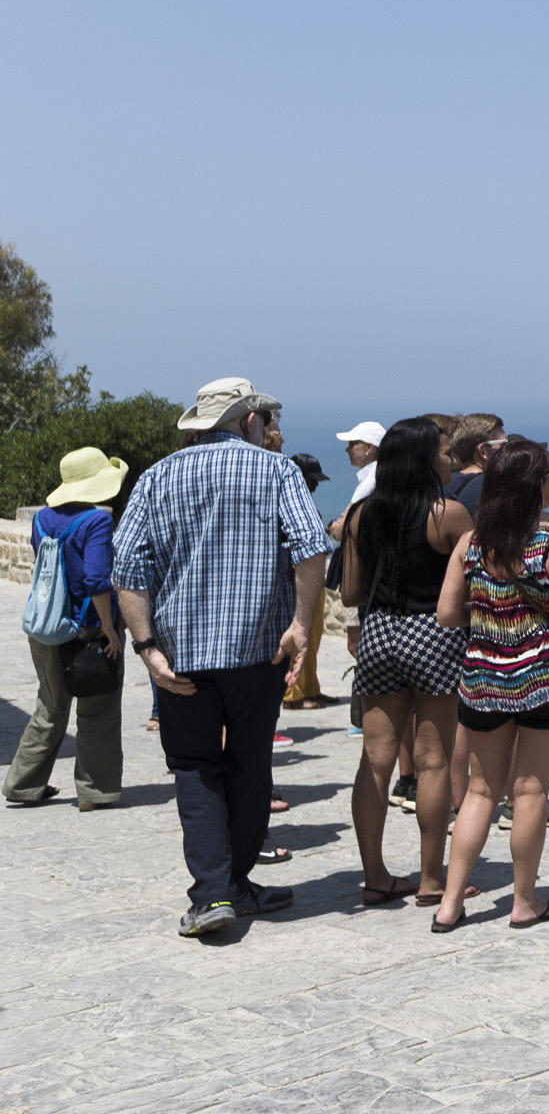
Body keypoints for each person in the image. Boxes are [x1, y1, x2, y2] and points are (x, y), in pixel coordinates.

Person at [113, 378, 329, 937]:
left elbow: (128, 573)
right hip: (259, 652)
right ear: (248, 421)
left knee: (195, 766)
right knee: (251, 762)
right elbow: (311, 551)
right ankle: (236, 886)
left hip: (181, 657)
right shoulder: (277, 472)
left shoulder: (156, 477)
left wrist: (147, 649)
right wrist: (300, 626)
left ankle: (214, 895)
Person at [432, 440, 549, 932]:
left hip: (483, 682)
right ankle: (523, 902)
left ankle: (449, 904)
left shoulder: (470, 545)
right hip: (543, 683)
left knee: (480, 793)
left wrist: (491, 611)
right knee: (530, 792)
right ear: (537, 487)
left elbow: (446, 615)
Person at [336, 417, 473, 907]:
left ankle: (375, 875)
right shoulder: (450, 515)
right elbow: (474, 585)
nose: (450, 459)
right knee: (433, 760)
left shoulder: (359, 517)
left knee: (375, 760)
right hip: (434, 634)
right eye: (443, 451)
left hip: (378, 633)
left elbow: (350, 591)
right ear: (422, 458)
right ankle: (432, 879)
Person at [4, 447, 128, 810]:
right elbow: (95, 580)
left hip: (45, 627)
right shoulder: (97, 521)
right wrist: (109, 628)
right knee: (98, 710)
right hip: (86, 630)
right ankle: (95, 792)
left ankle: (21, 785)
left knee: (50, 706)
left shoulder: (41, 518)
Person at [282, 454, 341, 711]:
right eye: (311, 480)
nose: (315, 486)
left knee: (314, 636)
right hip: (296, 583)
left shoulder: (306, 505)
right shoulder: (288, 505)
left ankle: (310, 688)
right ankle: (293, 693)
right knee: (300, 635)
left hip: (313, 584)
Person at [445, 413, 505, 517]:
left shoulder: (442, 485)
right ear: (483, 451)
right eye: (503, 444)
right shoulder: (495, 488)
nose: (509, 450)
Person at [331, 421, 386, 533]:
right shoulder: (380, 473)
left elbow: (341, 530)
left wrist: (334, 527)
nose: (347, 449)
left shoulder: (372, 478)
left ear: (369, 447)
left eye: (352, 443)